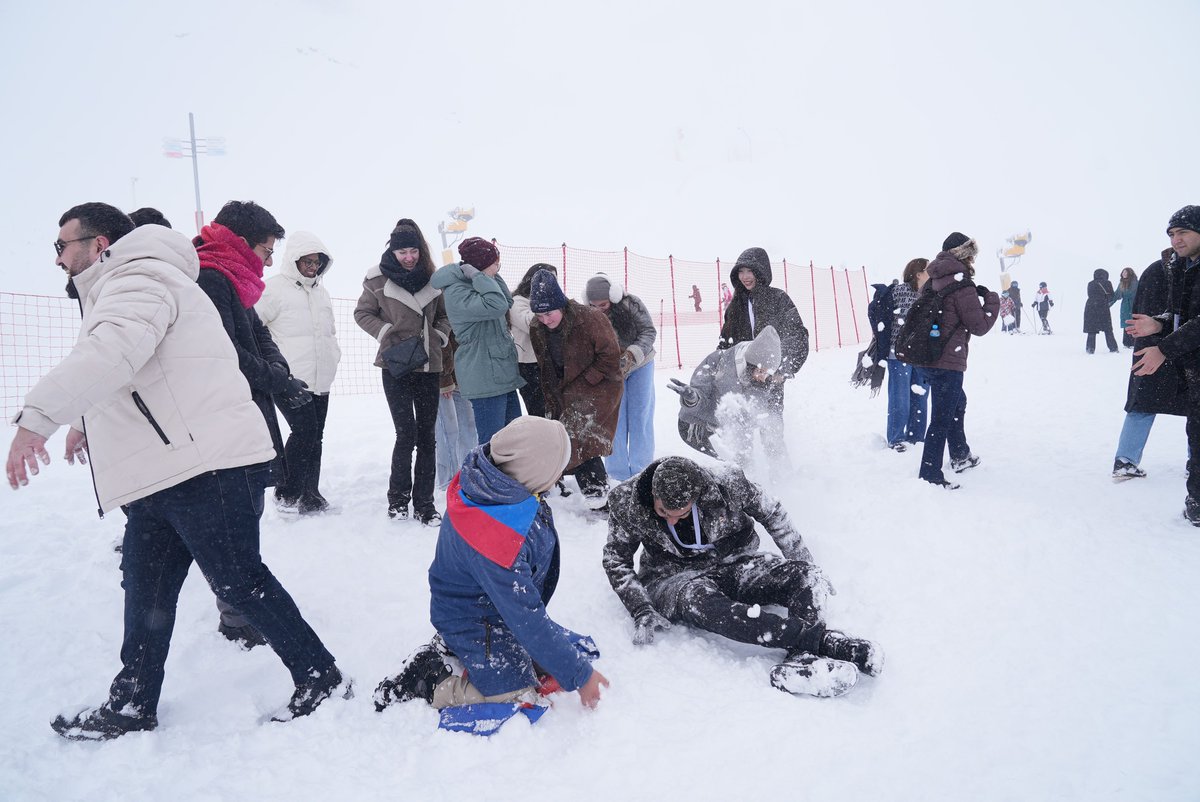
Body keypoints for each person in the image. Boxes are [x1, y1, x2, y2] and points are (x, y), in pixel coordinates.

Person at [6, 203, 348, 740]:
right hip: (165, 468)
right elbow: (136, 371)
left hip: (204, 464)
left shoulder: (137, 277)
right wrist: (84, 421)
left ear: (99, 245)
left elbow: (113, 352)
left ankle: (320, 675)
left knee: (238, 579)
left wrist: (39, 419)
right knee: (147, 589)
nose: (57, 258)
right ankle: (132, 702)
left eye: (62, 245)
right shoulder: (119, 286)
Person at [373, 416, 609, 711]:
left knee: (546, 657)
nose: (561, 474)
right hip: (473, 618)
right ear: (533, 472)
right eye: (556, 469)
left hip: (493, 605)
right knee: (520, 695)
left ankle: (464, 647)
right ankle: (429, 681)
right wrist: (580, 675)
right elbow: (527, 619)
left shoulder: (497, 481)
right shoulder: (495, 536)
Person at [602, 456, 882, 697]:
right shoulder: (627, 501)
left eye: (682, 513)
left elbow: (773, 513)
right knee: (701, 601)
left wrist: (804, 558)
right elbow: (615, 559)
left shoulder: (726, 481)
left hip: (737, 562)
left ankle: (801, 659)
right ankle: (822, 641)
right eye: (663, 512)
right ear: (653, 496)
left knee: (805, 574)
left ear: (697, 495)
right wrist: (641, 608)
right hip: (676, 577)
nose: (671, 520)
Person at [195, 201, 312, 647]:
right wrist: (277, 380)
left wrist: (280, 373)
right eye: (266, 249)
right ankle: (238, 615)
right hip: (226, 417)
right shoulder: (209, 277)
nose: (267, 259)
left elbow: (258, 335)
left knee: (245, 515)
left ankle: (240, 607)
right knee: (233, 521)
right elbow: (228, 354)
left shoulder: (232, 277)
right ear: (242, 242)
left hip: (248, 409)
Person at [354, 219, 451, 524]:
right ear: (392, 251)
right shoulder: (376, 280)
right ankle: (397, 501)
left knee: (427, 436)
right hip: (394, 364)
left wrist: (439, 336)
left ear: (420, 250)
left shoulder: (434, 279)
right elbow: (362, 313)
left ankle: (424, 504)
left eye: (412, 251)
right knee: (405, 433)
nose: (408, 257)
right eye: (401, 252)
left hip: (428, 364)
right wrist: (386, 332)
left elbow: (445, 316)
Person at [256, 230, 341, 514]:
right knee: (304, 431)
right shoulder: (273, 289)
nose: (312, 266)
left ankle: (310, 494)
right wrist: (273, 367)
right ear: (294, 260)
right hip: (290, 379)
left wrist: (334, 355)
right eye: (307, 261)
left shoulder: (322, 292)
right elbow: (255, 328)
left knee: (316, 435)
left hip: (322, 376)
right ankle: (287, 493)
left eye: (317, 261)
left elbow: (329, 332)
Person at [1127, 206, 1200, 524]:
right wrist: (1157, 325)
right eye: (1171, 234)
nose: (1176, 239)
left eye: (1183, 232)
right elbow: (1183, 316)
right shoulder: (1187, 268)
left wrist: (1163, 349)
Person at [527, 269, 623, 509]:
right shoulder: (537, 327)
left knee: (579, 435)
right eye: (539, 315)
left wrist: (587, 380)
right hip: (564, 389)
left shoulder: (590, 318)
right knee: (568, 436)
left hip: (600, 386)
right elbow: (545, 363)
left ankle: (598, 494)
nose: (545, 320)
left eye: (549, 313)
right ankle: (593, 492)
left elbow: (611, 356)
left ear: (560, 305)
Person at [918, 232, 1000, 489]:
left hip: (929, 355)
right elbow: (979, 325)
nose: (974, 259)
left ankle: (960, 454)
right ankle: (930, 474)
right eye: (971, 254)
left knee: (956, 403)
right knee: (942, 416)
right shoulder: (962, 284)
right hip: (948, 359)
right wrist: (992, 301)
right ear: (963, 255)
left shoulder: (932, 280)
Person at [717, 247, 809, 468]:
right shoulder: (735, 306)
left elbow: (796, 335)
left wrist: (779, 370)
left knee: (772, 433)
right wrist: (722, 370)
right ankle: (746, 484)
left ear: (761, 271)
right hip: (742, 380)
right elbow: (725, 344)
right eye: (741, 271)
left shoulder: (778, 299)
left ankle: (784, 483)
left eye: (750, 270)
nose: (746, 276)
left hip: (769, 379)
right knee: (740, 439)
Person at [431, 237, 524, 444]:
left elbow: (507, 301)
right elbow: (497, 305)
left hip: (500, 373)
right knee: (492, 443)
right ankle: (486, 477)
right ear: (480, 267)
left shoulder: (478, 281)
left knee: (513, 440)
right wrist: (482, 276)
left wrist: (489, 274)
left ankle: (510, 477)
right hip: (483, 374)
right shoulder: (457, 291)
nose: (498, 267)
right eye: (495, 263)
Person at [1113, 250, 1186, 480]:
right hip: (1182, 346)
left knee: (1143, 402)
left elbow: (1137, 308)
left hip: (1151, 344)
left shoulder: (1154, 269)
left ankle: (1125, 460)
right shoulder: (1170, 270)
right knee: (1193, 405)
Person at [668, 325, 784, 463]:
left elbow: (764, 419)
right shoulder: (717, 362)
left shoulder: (763, 382)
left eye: (767, 373)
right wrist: (693, 399)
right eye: (760, 371)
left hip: (730, 432)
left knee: (743, 467)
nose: (762, 377)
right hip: (697, 427)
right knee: (727, 470)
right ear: (750, 363)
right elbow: (701, 399)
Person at [584, 272, 657, 482]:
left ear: (613, 298)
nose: (599, 309)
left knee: (640, 414)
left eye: (603, 305)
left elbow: (648, 332)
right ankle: (617, 473)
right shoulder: (586, 314)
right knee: (613, 418)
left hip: (640, 364)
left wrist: (632, 354)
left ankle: (642, 469)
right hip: (609, 369)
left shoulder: (632, 304)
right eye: (594, 305)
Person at [884, 258, 930, 451]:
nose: (931, 272)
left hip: (922, 355)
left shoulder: (929, 293)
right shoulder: (899, 291)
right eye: (928, 269)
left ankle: (917, 438)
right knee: (900, 398)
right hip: (899, 355)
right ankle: (896, 438)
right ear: (918, 273)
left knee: (920, 397)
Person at [510, 263, 557, 419]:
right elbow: (530, 324)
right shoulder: (518, 301)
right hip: (528, 365)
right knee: (537, 410)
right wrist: (548, 310)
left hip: (547, 361)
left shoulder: (551, 302)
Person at [434, 332, 479, 490]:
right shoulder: (443, 307)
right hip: (443, 377)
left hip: (464, 374)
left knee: (469, 428)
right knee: (448, 432)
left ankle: (468, 475)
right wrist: (443, 378)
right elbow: (439, 337)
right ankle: (447, 483)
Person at [1084, 268, 1119, 354]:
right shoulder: (1107, 283)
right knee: (1108, 329)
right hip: (1103, 307)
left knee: (1091, 330)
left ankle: (1090, 349)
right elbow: (1112, 296)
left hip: (1090, 306)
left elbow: (1089, 294)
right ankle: (1113, 348)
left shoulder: (1090, 283)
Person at [1113, 267, 1139, 348]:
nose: (1124, 274)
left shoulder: (1135, 282)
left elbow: (1138, 294)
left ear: (1129, 273)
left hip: (1133, 304)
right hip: (1125, 305)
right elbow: (1116, 295)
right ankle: (1126, 342)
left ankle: (1133, 342)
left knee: (1133, 322)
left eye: (1126, 272)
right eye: (1123, 272)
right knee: (1126, 323)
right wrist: (1107, 304)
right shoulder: (1121, 283)